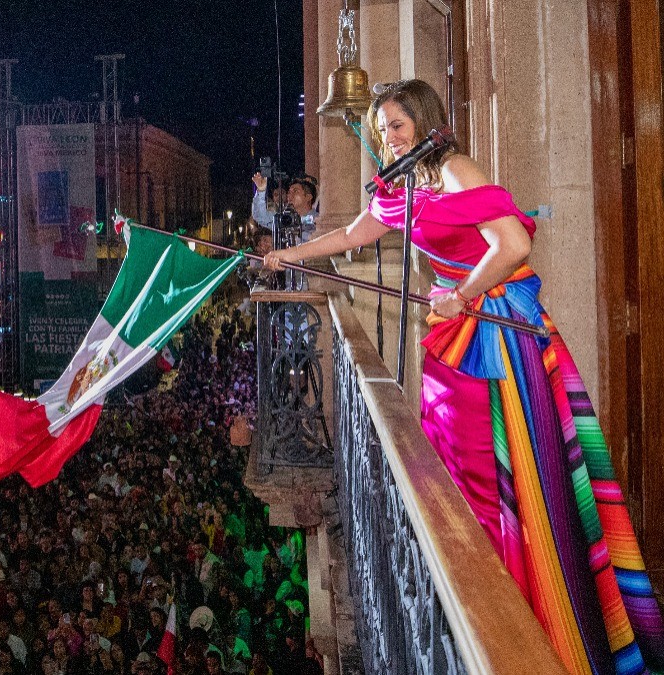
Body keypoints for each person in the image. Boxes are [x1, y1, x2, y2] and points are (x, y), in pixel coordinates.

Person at [263, 77, 664, 674]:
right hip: (457, 332)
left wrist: (462, 293)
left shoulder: (455, 170)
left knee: (491, 462)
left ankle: (513, 606)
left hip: (494, 329)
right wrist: (284, 256)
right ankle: (480, 590)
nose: (389, 138)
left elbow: (513, 241)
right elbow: (352, 236)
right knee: (457, 464)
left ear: (425, 121)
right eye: (382, 130)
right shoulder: (402, 185)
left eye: (397, 126)